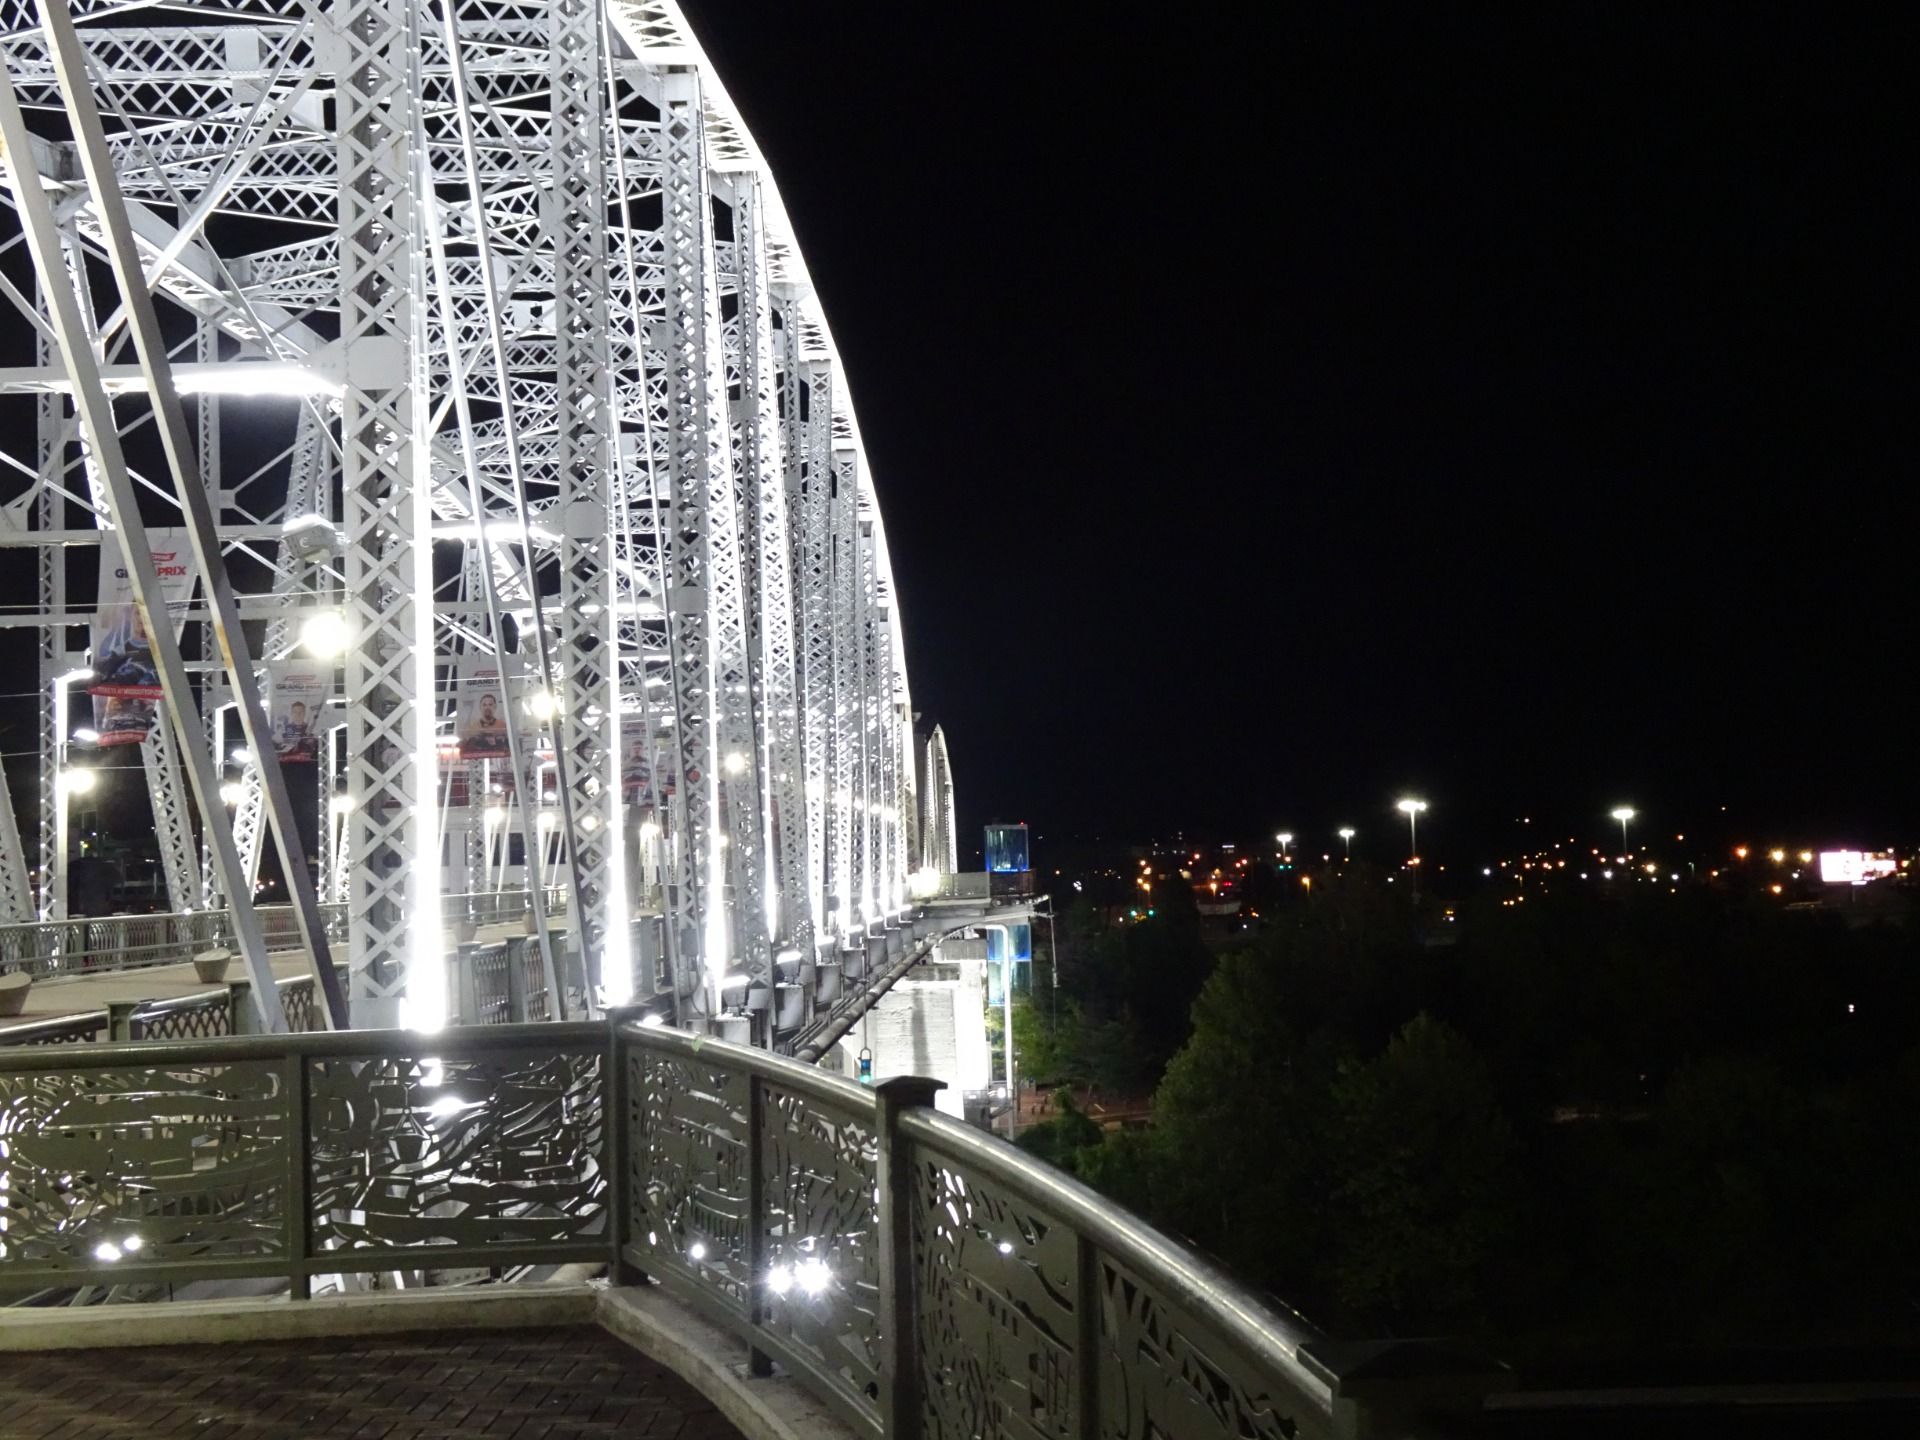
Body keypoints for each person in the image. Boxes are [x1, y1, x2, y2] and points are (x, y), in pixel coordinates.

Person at [461, 691, 510, 757]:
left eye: (490, 704)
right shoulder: (472, 728)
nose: (487, 707)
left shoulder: (503, 726)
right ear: (480, 707)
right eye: (484, 705)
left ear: (495, 706)